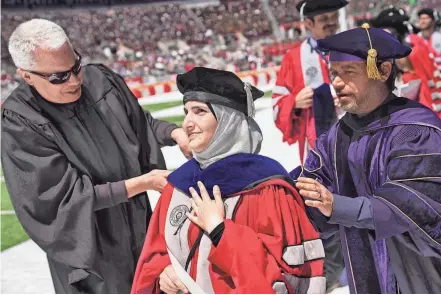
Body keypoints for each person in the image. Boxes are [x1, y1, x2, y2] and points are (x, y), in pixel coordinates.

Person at [1, 19, 190, 293]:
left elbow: (137, 124)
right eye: (58, 77)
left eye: (75, 66)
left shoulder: (100, 80)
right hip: (92, 254)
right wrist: (141, 183)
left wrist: (174, 134)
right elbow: (61, 200)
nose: (75, 80)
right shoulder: (22, 121)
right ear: (27, 75)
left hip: (139, 229)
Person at [131, 67, 326, 294]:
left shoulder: (267, 188)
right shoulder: (179, 186)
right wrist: (162, 271)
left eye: (200, 111)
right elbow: (154, 256)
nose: (187, 123)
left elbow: (285, 279)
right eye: (186, 112)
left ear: (228, 120)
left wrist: (220, 231)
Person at [292, 24, 441, 293]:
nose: (336, 82)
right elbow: (310, 185)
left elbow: (408, 208)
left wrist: (336, 206)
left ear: (383, 71)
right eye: (334, 73)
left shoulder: (416, 130)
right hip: (365, 273)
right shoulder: (335, 137)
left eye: (348, 72)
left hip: (419, 275)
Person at [272, 0, 347, 289]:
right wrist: (295, 102)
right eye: (323, 19)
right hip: (319, 151)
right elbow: (277, 104)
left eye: (333, 17)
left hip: (356, 142)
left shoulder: (353, 48)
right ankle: (336, 278)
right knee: (326, 214)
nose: (331, 23)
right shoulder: (294, 59)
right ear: (308, 24)